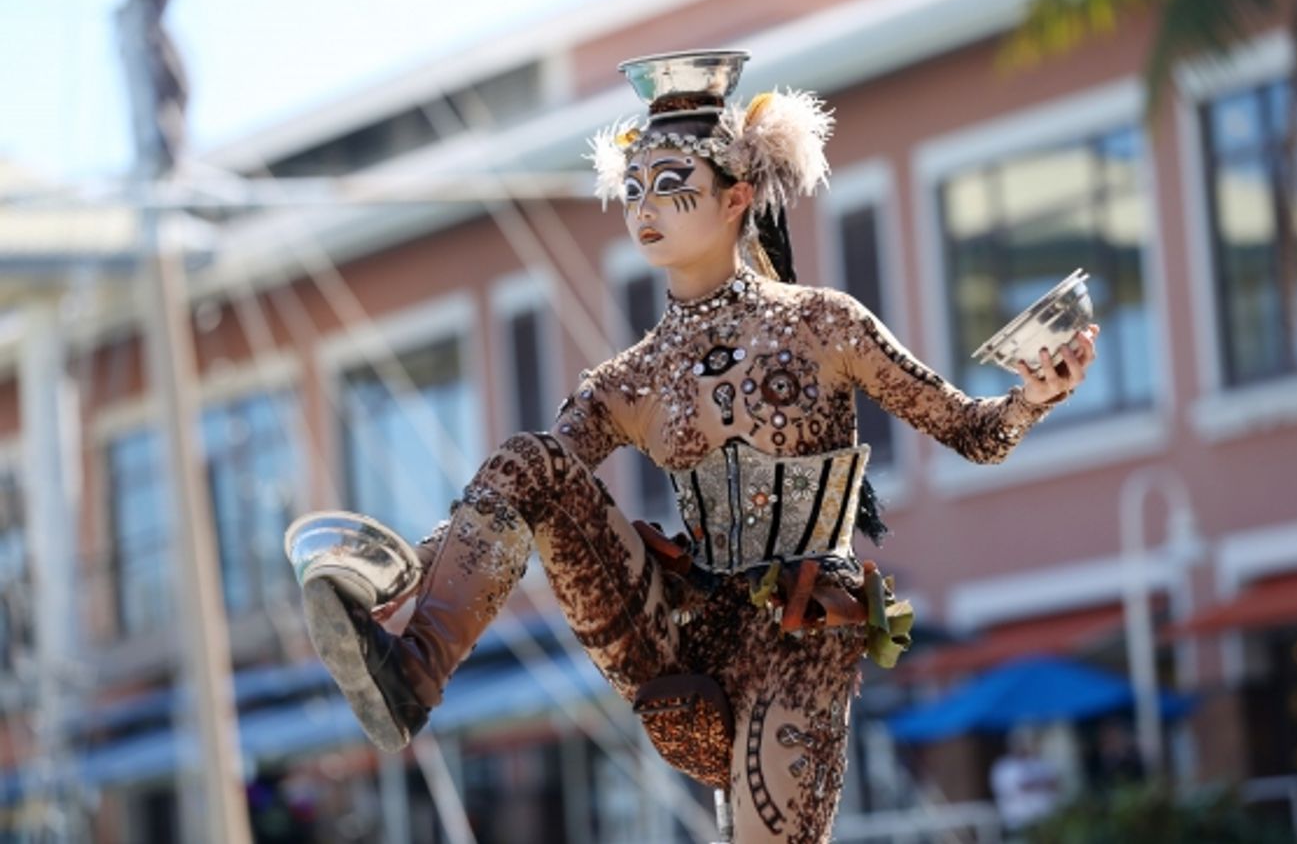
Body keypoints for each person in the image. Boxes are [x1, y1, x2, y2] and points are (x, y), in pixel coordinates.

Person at [298, 49, 1098, 843]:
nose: (647, 206)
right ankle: (413, 672)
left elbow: (972, 432)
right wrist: (406, 582)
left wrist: (1033, 397)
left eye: (674, 188)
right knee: (530, 455)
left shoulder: (824, 323)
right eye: (637, 187)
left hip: (803, 638)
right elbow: (511, 493)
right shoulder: (630, 379)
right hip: (678, 643)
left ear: (735, 198)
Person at [991, 727, 1064, 839]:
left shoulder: (1040, 762)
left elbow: (1056, 784)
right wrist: (1041, 784)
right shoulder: (1004, 766)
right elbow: (1019, 787)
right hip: (1018, 821)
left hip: (1046, 820)